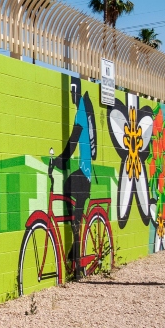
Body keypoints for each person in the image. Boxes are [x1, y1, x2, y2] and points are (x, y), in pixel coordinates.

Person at [55, 82, 96, 269]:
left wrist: (60, 159)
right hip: (85, 173)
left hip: (84, 173)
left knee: (66, 189)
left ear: (76, 91)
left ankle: (76, 253)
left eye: (72, 90)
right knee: (76, 215)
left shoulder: (80, 108)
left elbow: (73, 138)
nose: (71, 93)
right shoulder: (83, 107)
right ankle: (75, 250)